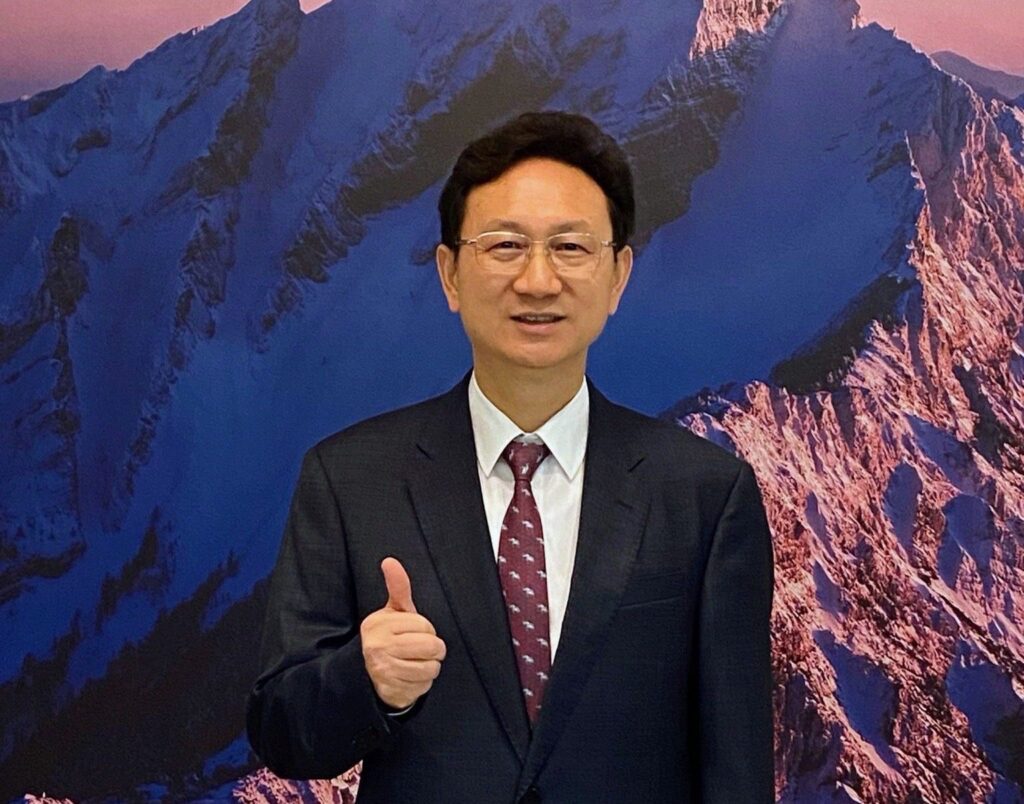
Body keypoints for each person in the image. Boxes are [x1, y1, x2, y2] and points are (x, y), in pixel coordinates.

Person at [246, 110, 775, 803]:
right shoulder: (349, 479)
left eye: (570, 248)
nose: (537, 280)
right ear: (450, 274)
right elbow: (280, 730)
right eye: (505, 246)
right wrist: (365, 680)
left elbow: (737, 769)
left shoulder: (705, 495)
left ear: (618, 277)